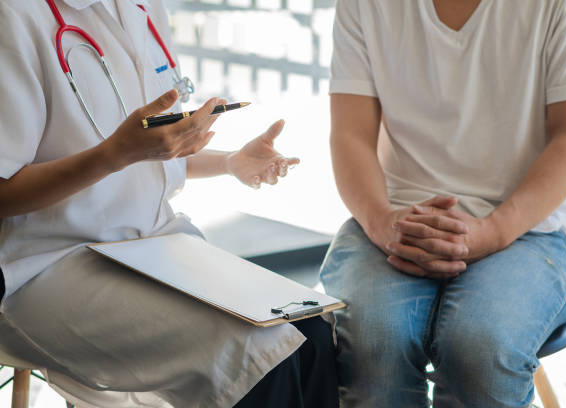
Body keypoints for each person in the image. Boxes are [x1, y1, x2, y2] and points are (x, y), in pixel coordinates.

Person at [0, 1, 338, 407]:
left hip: (155, 246)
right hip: (48, 264)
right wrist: (113, 154)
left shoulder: (142, 8)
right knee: (259, 360)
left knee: (311, 332)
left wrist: (230, 162)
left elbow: (149, 149)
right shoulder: (15, 15)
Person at [320, 0, 566, 407]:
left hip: (527, 228)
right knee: (372, 341)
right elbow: (350, 134)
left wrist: (493, 230)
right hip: (397, 219)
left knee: (479, 347)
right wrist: (382, 222)